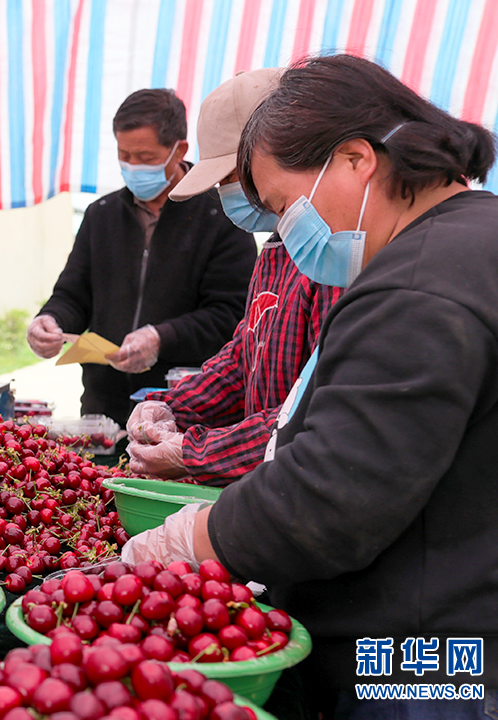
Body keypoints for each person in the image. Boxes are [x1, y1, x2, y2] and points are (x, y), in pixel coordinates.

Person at [121, 54, 498, 715]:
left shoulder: (421, 286)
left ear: (359, 160)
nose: (284, 227)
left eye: (282, 205)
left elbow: (330, 496)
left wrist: (194, 538)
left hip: (430, 665)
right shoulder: (477, 237)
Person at [124, 69, 343, 485]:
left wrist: (196, 453)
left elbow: (316, 413)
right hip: (265, 489)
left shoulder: (335, 258)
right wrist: (174, 406)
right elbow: (246, 354)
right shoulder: (276, 249)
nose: (226, 193)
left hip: (306, 485)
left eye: (229, 178)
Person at [27, 89, 256, 426]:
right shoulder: (100, 216)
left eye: (146, 157)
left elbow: (231, 314)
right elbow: (73, 294)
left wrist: (161, 337)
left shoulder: (221, 216)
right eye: (124, 155)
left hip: (187, 410)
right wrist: (51, 321)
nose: (133, 167)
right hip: (104, 409)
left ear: (179, 150)